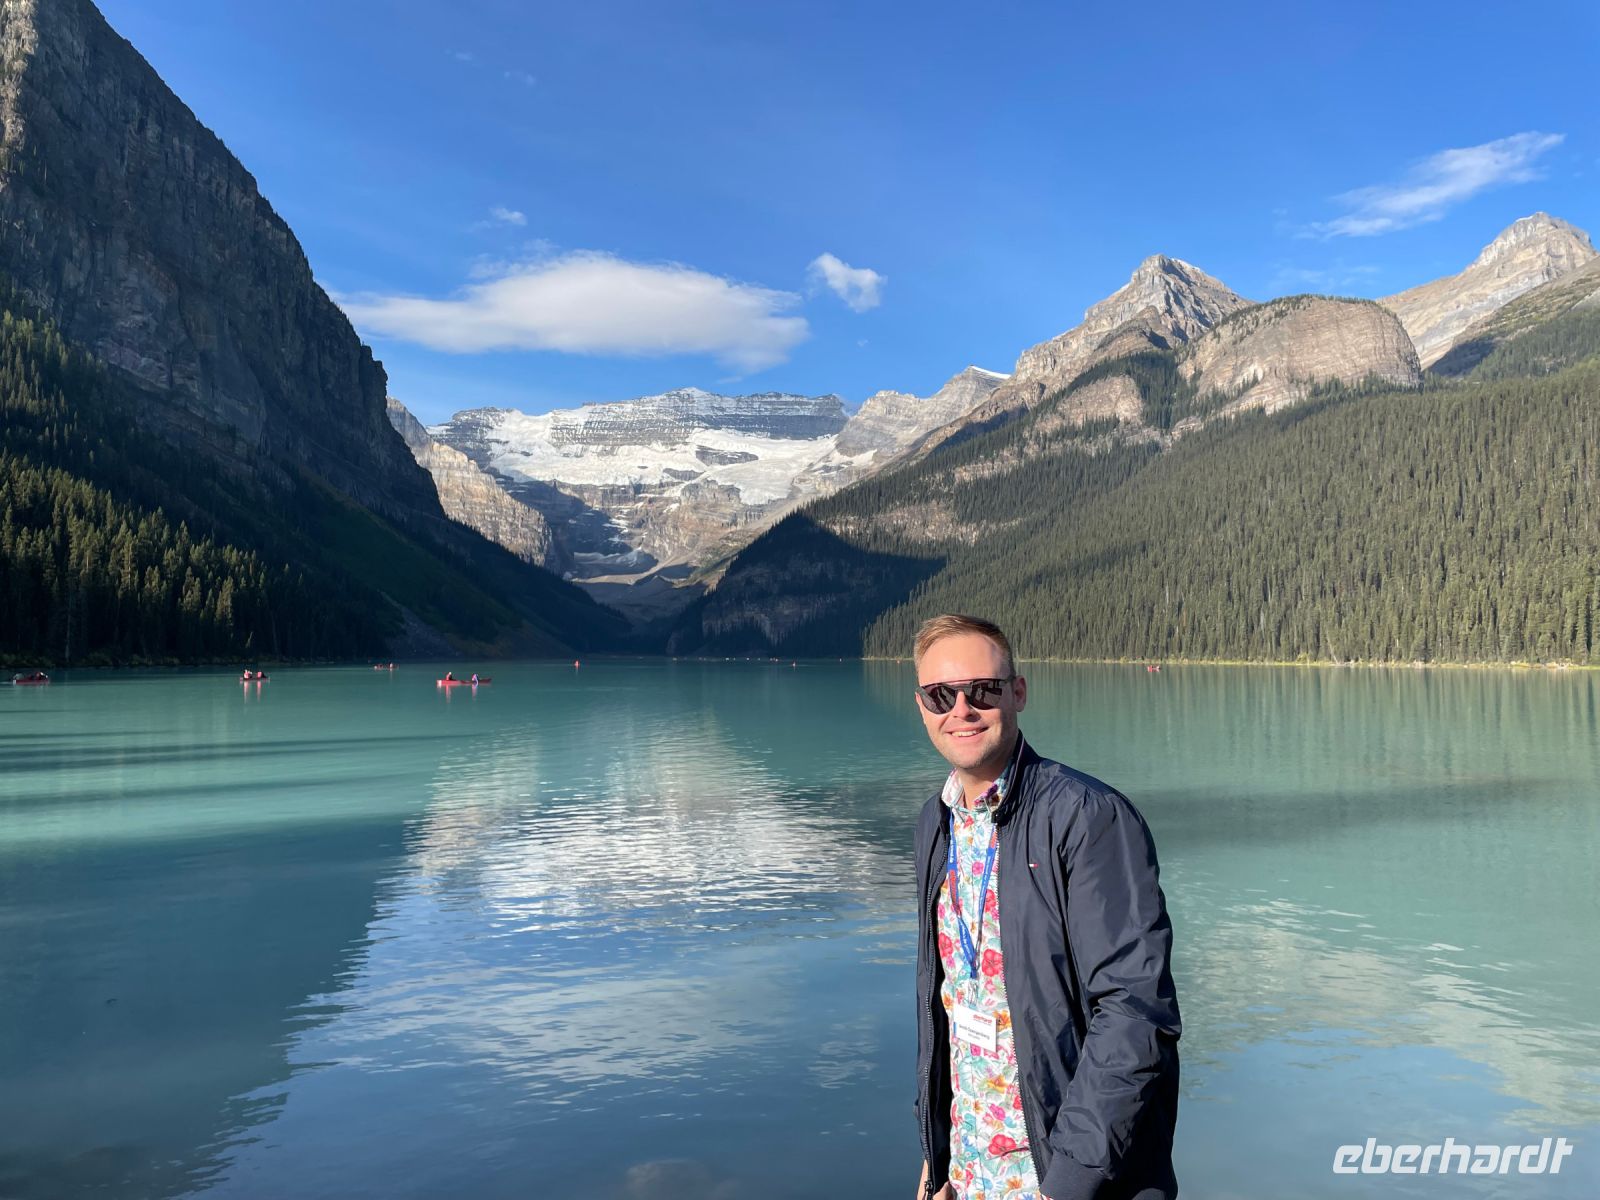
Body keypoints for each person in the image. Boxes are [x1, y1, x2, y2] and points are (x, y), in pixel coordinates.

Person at [911, 614, 1180, 1200]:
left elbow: (1135, 1014)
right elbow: (948, 1008)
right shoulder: (935, 824)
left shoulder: (1088, 818)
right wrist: (937, 1158)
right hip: (969, 1174)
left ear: (1018, 693)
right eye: (940, 695)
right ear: (922, 706)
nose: (961, 709)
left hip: (1068, 1181)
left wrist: (1067, 1185)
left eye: (982, 690)